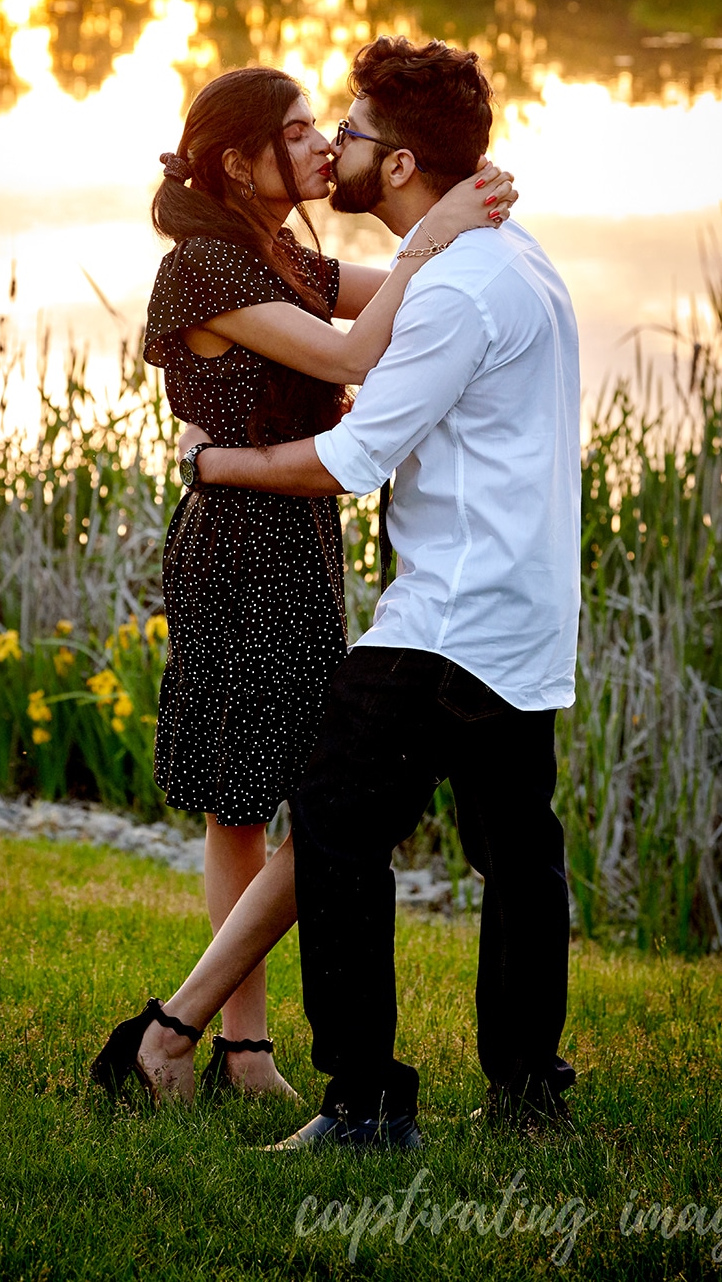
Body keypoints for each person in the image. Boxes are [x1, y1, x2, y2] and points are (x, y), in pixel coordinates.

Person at [181, 35, 581, 1148]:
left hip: (445, 622)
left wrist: (217, 464)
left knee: (339, 831)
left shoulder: (453, 288)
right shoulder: (520, 257)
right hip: (527, 612)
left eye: (348, 134)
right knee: (519, 854)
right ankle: (527, 1092)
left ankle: (361, 1105)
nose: (336, 150)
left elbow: (345, 462)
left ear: (397, 167)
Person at [92, 61, 518, 1106]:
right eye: (296, 130)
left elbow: (405, 314)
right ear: (240, 160)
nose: (324, 141)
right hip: (241, 542)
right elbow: (351, 357)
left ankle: (227, 1049)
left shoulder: (277, 254)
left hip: (294, 528)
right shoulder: (202, 268)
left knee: (301, 796)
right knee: (253, 802)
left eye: (319, 124)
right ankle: (241, 1050)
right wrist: (435, 228)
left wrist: (464, 237)